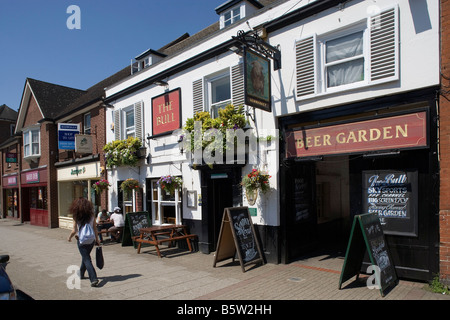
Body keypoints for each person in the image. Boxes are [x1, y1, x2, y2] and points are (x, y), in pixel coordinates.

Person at [67, 198, 100, 287]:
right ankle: (81, 274)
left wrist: (69, 237)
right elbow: (95, 229)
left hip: (82, 240)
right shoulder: (92, 215)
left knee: (86, 259)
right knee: (85, 257)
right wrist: (97, 239)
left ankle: (93, 278)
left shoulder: (76, 216)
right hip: (91, 240)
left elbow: (74, 230)